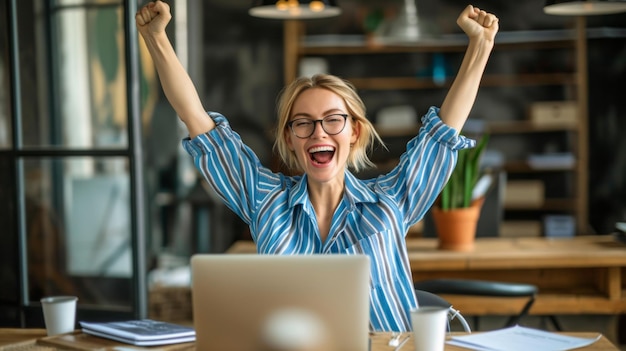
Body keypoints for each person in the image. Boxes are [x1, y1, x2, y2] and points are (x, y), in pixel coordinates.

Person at [136, 1, 499, 332]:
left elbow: (444, 131)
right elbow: (195, 119)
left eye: (332, 120)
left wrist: (480, 46)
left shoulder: (391, 200)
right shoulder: (266, 201)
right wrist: (156, 39)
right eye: (303, 123)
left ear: (354, 131)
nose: (318, 132)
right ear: (290, 138)